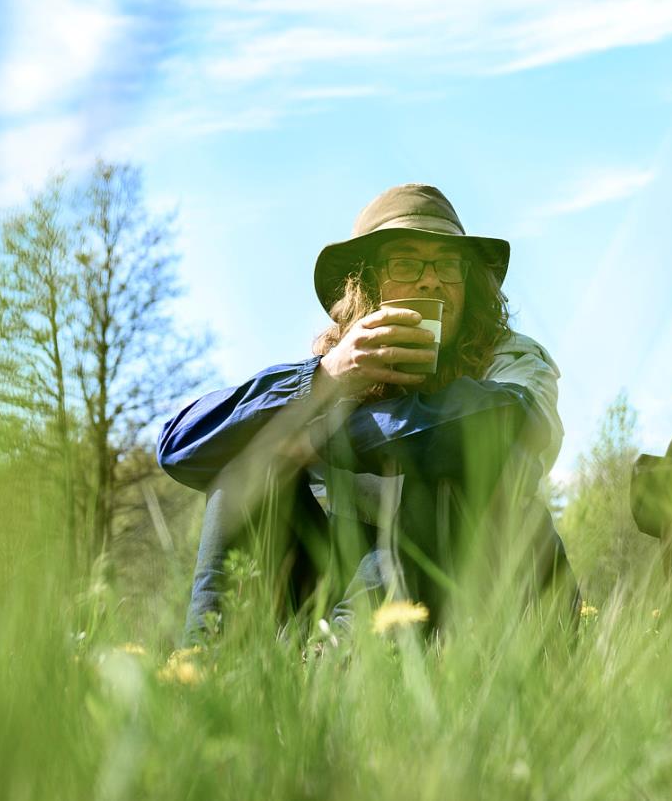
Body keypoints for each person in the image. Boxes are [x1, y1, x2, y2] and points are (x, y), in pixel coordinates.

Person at [156, 184, 572, 644]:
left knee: (442, 464)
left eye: (448, 265)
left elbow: (505, 423)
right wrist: (326, 379)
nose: (431, 280)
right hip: (341, 593)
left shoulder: (514, 359)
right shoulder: (333, 376)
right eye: (406, 263)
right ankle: (208, 668)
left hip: (490, 607)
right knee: (250, 461)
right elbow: (180, 448)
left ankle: (344, 661)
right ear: (366, 283)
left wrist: (318, 437)